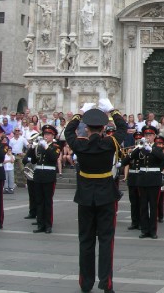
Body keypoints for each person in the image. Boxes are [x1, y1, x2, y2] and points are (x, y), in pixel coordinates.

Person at [64, 98, 126, 293]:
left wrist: (80, 113)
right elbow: (123, 128)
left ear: (87, 129)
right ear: (103, 129)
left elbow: (68, 131)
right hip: (106, 195)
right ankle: (106, 283)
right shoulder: (110, 143)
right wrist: (113, 110)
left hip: (85, 196)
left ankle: (86, 283)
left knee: (86, 240)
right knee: (107, 240)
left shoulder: (79, 145)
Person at [130, 125, 164, 239]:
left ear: (154, 136)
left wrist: (152, 150)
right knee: (143, 206)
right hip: (142, 180)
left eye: (150, 135)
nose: (147, 137)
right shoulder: (142, 148)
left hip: (154, 180)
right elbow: (132, 157)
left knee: (153, 206)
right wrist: (138, 148)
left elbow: (163, 159)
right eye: (146, 135)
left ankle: (153, 230)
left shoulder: (158, 147)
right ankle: (144, 230)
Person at [26, 124, 61, 233]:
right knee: (39, 201)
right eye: (45, 134)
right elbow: (32, 160)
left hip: (49, 176)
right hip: (38, 175)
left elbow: (54, 157)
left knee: (47, 201)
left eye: (48, 134)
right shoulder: (39, 146)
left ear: (53, 135)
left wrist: (46, 147)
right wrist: (31, 148)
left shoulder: (55, 146)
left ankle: (48, 225)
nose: (46, 136)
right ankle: (40, 224)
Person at [120, 131, 143, 231]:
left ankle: (142, 222)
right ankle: (134, 222)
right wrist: (130, 153)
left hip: (142, 177)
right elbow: (124, 163)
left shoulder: (146, 151)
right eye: (136, 139)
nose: (138, 140)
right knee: (133, 202)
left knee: (142, 202)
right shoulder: (131, 151)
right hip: (133, 178)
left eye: (139, 139)